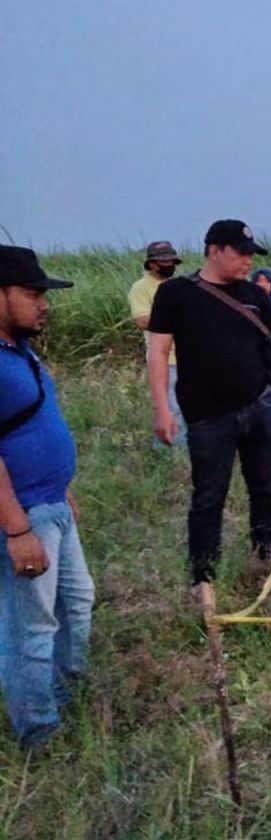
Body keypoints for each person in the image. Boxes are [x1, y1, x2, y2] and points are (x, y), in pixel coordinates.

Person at [147, 220, 271, 599]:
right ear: (214, 250)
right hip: (208, 416)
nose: (248, 260)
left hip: (260, 406)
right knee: (208, 497)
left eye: (252, 254)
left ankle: (268, 556)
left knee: (266, 489)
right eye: (241, 253)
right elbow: (158, 352)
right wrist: (163, 409)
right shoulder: (176, 294)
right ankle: (204, 576)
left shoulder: (254, 295)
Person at [0, 245, 94, 749]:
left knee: (77, 605)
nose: (44, 304)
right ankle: (40, 734)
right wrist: (17, 530)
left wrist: (63, 487)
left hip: (52, 505)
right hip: (24, 516)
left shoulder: (18, 350)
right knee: (31, 630)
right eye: (33, 293)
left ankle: (66, 701)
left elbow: (31, 424)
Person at [129, 241, 187, 447]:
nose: (170, 265)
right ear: (153, 264)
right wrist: (173, 321)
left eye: (172, 261)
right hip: (164, 359)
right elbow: (141, 319)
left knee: (189, 407)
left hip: (188, 357)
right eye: (165, 261)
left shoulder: (178, 286)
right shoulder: (141, 288)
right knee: (171, 408)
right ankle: (170, 452)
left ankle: (184, 450)